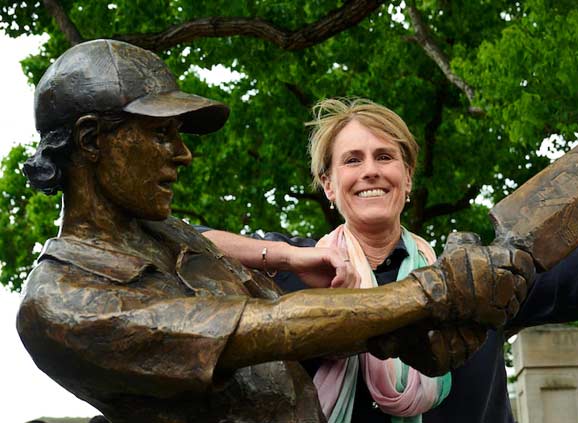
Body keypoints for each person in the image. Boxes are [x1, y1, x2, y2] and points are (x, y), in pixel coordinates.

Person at [16, 39, 533, 423]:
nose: (183, 154)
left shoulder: (171, 240)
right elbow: (270, 327)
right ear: (90, 140)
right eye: (160, 134)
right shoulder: (62, 301)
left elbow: (215, 245)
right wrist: (438, 293)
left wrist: (409, 336)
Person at [199, 78, 578, 422]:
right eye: (352, 160)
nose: (370, 171)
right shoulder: (289, 272)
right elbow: (181, 241)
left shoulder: (476, 277)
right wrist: (287, 258)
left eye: (385, 157)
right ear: (328, 186)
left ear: (407, 178)